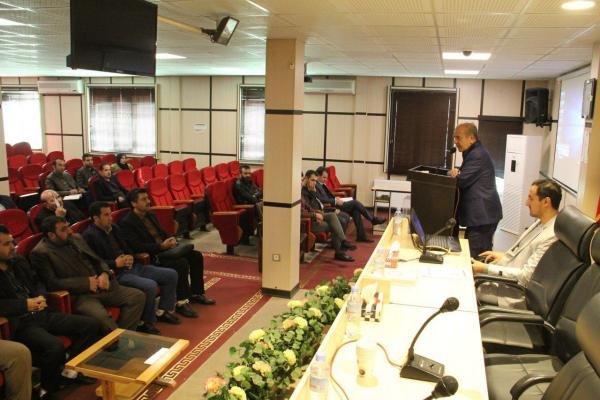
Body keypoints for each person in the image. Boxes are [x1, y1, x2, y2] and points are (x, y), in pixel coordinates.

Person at [0, 225, 101, 398]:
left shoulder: (17, 261)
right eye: (6, 244)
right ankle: (48, 388)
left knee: (90, 325)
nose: (12, 247)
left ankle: (69, 370)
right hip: (21, 322)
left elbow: (37, 281)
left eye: (12, 242)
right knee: (54, 346)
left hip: (42, 312)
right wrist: (24, 305)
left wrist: (40, 296)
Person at [30, 216, 145, 333]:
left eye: (68, 226)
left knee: (137, 296)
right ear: (51, 235)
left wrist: (105, 273)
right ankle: (119, 340)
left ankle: (126, 336)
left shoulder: (76, 238)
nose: (70, 231)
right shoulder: (40, 253)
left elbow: (97, 260)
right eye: (64, 229)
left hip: (102, 286)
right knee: (102, 319)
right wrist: (86, 283)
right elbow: (52, 283)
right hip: (81, 296)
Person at [83, 202, 181, 334]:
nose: (110, 218)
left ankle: (162, 311)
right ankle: (145, 322)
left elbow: (127, 247)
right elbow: (94, 262)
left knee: (171, 274)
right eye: (106, 215)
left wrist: (130, 256)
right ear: (96, 218)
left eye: (110, 214)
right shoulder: (89, 236)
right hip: (116, 274)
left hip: (132, 266)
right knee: (150, 285)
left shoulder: (114, 228)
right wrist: (115, 263)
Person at [118, 188, 215, 319]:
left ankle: (196, 293)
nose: (148, 201)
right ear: (134, 203)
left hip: (165, 249)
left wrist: (170, 239)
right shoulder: (127, 222)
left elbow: (162, 233)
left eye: (148, 198)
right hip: (153, 255)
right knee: (181, 263)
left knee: (196, 256)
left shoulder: (150, 214)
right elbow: (136, 246)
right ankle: (181, 302)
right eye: (143, 199)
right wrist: (161, 246)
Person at [472, 179, 562, 309]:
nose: (526, 203)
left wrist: (484, 268)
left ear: (546, 202)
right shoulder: (540, 222)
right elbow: (525, 254)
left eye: (531, 198)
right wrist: (503, 257)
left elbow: (526, 277)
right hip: (504, 283)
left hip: (511, 294)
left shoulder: (552, 236)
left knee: (464, 289)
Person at [448, 122, 502, 257]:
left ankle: (481, 272)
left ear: (471, 138)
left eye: (458, 138)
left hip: (483, 216)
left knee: (476, 255)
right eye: (454, 138)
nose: (455, 142)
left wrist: (457, 174)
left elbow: (462, 180)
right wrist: (458, 174)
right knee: (475, 252)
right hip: (480, 216)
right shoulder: (472, 152)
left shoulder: (477, 154)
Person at [315, 166, 386, 242]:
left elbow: (328, 196)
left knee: (356, 210)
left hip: (335, 202)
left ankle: (361, 236)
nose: (326, 180)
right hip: (331, 206)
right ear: (318, 176)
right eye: (324, 177)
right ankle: (372, 219)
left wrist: (336, 198)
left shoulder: (322, 184)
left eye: (326, 178)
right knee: (355, 203)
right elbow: (320, 199)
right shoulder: (316, 185)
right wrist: (335, 200)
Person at [301, 170, 355, 262]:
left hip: (318, 215)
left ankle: (342, 245)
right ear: (306, 179)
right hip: (310, 221)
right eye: (312, 180)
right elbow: (305, 210)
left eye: (315, 181)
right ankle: (341, 249)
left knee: (334, 217)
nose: (314, 183)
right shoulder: (302, 193)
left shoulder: (311, 190)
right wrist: (315, 215)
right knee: (336, 224)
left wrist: (314, 193)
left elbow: (313, 206)